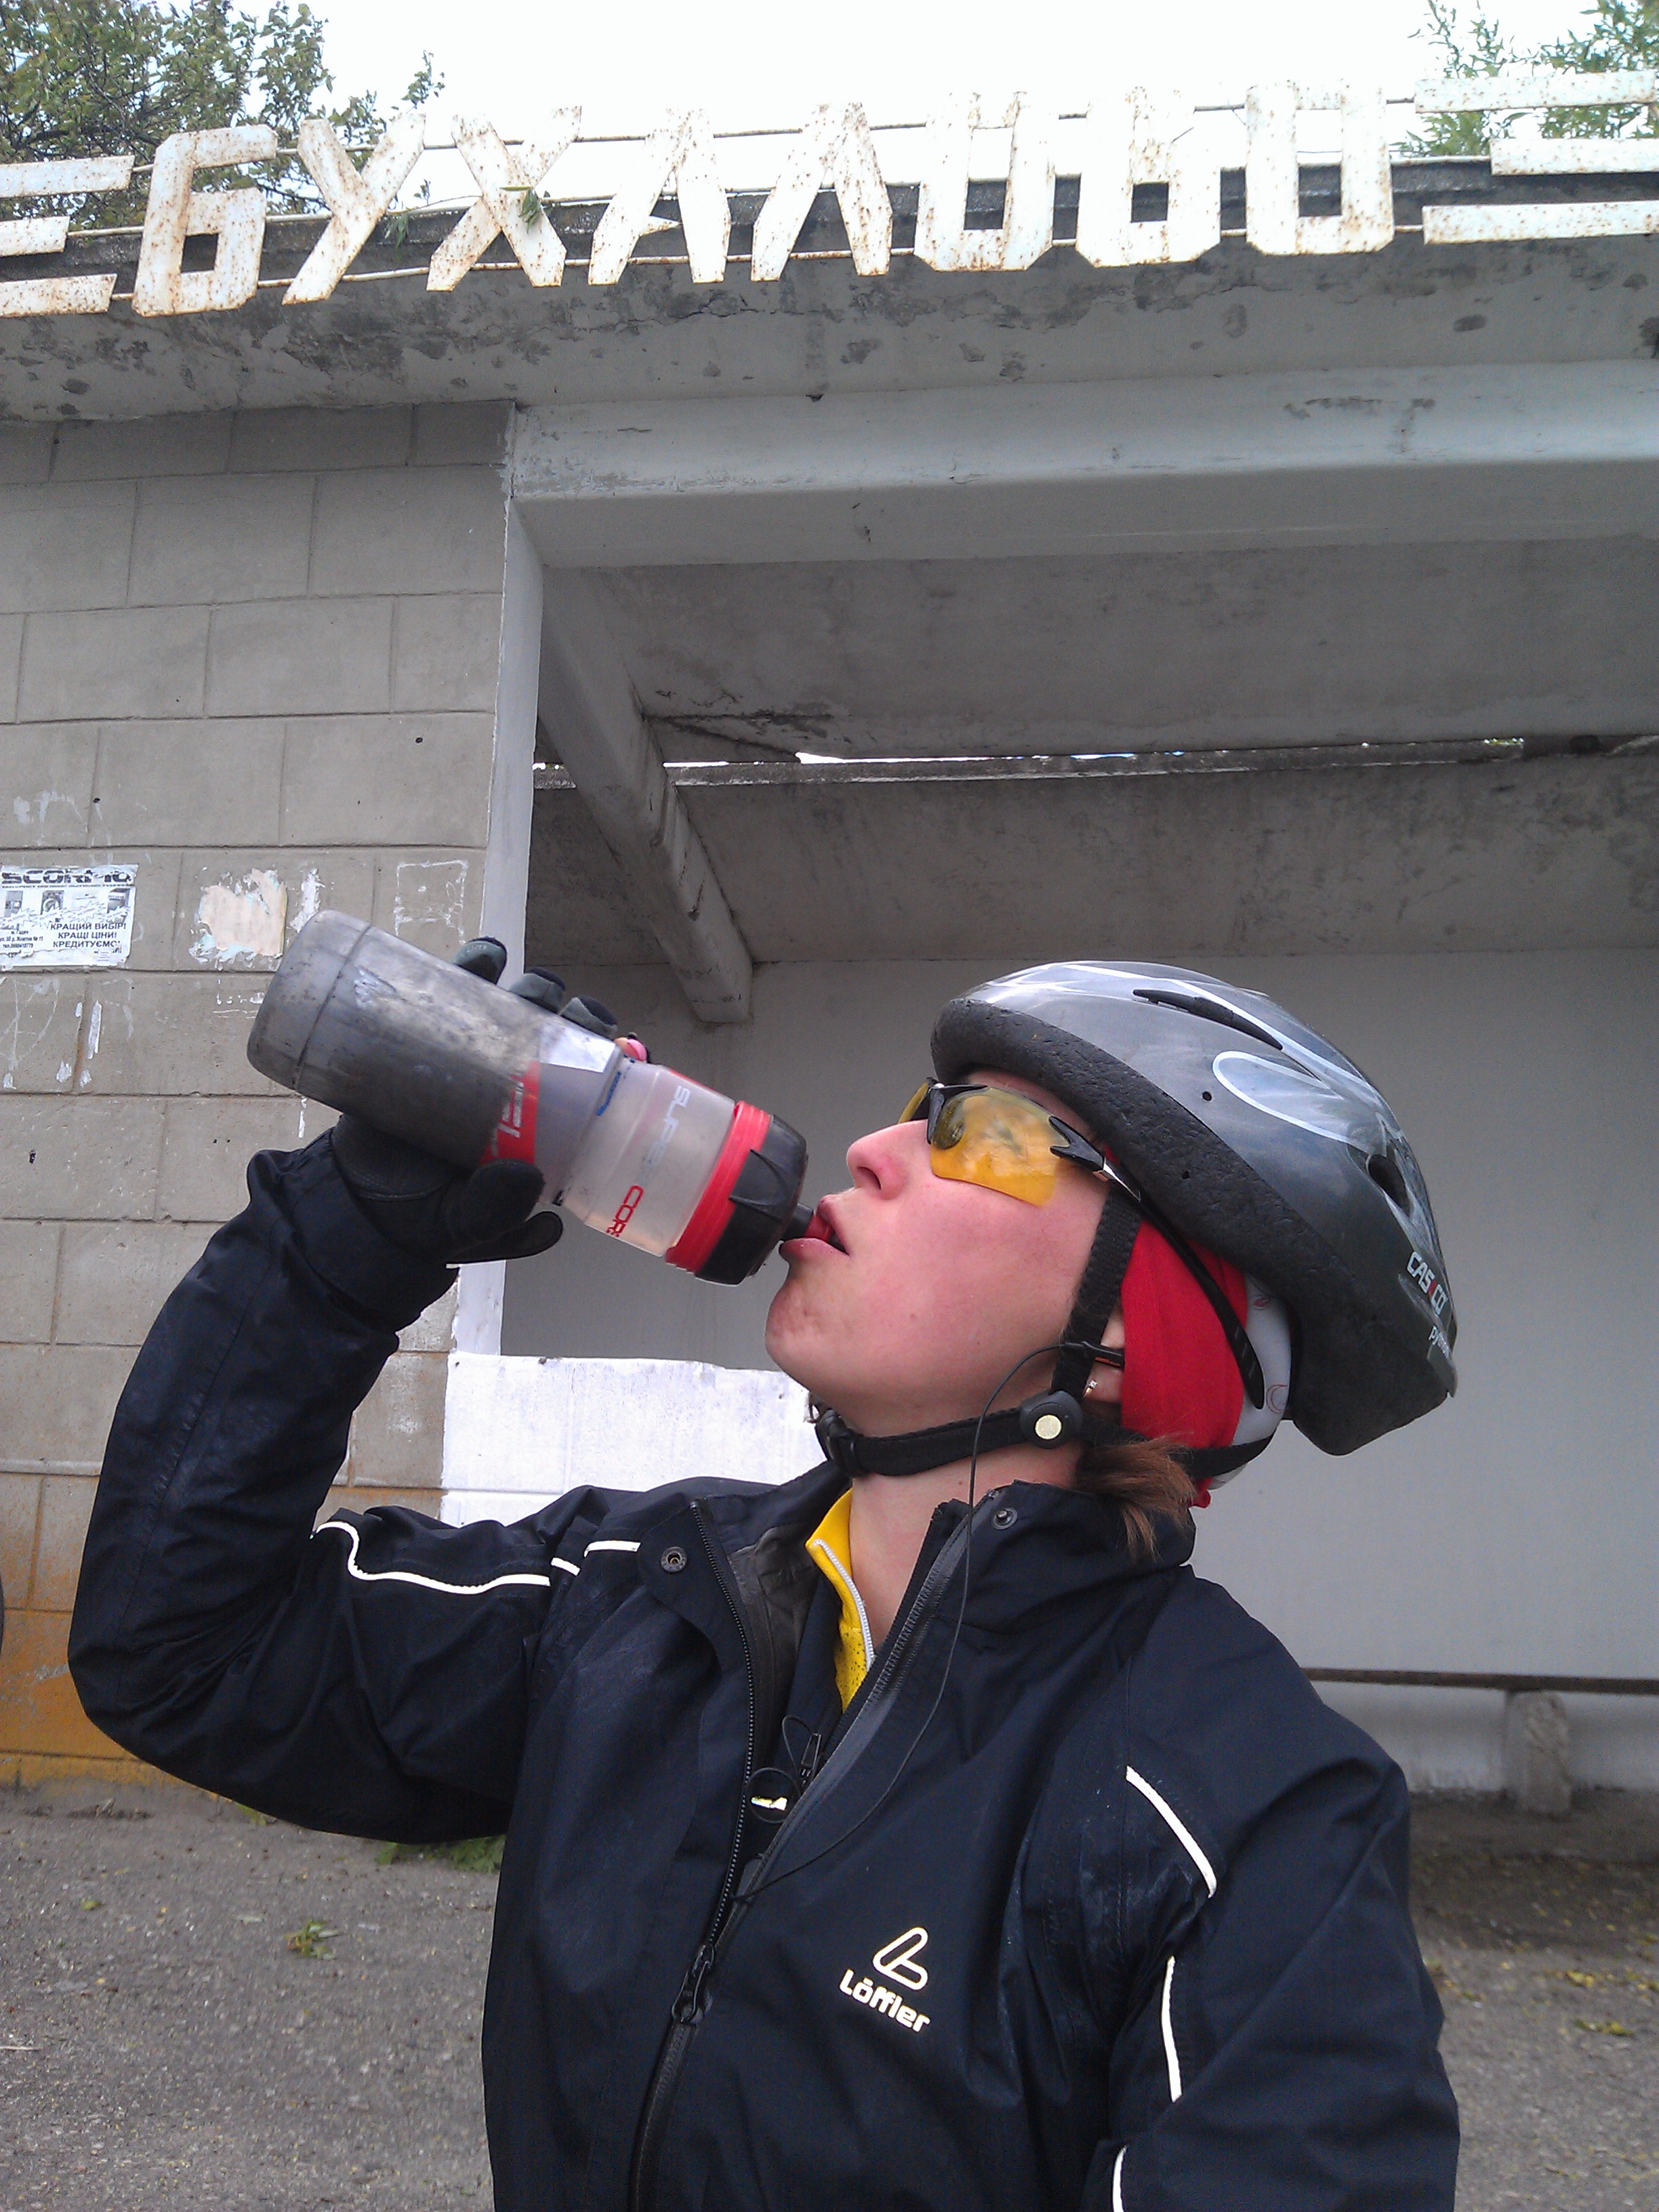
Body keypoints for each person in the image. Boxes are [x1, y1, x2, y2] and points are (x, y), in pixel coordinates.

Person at [70, 957, 1460, 2211]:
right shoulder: (635, 1596)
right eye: (914, 1110)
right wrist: (342, 1244)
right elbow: (185, 1652)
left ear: (1142, 1333)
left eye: (979, 1132)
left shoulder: (1254, 1808)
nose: (872, 1149)